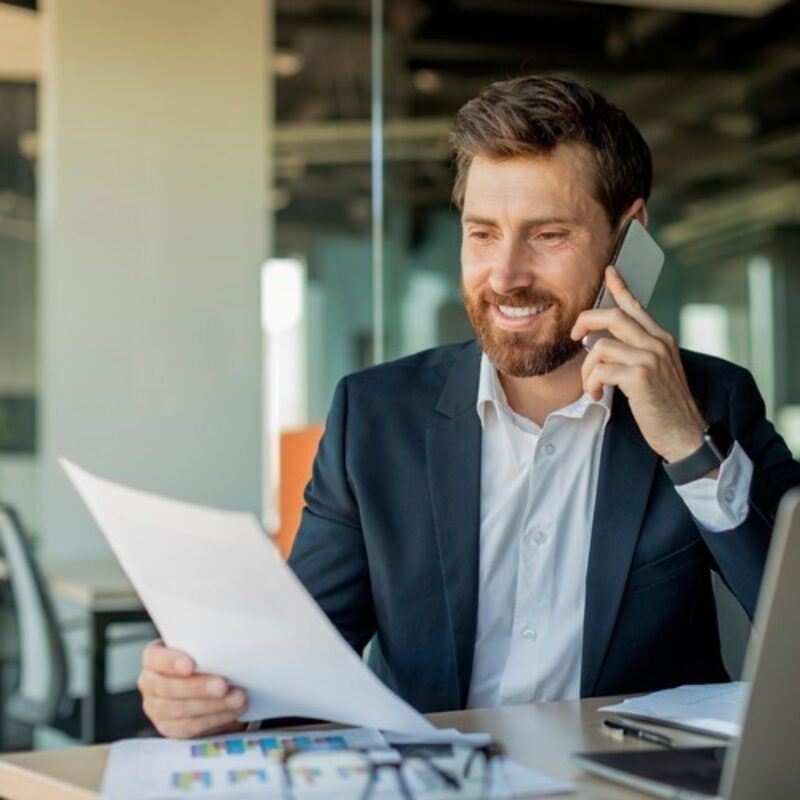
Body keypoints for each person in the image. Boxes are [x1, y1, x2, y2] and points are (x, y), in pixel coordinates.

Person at [137, 74, 800, 739]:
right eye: (483, 234)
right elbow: (300, 672)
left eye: (547, 235)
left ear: (629, 237)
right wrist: (210, 697)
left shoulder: (712, 402)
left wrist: (691, 449)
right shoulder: (374, 418)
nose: (505, 275)